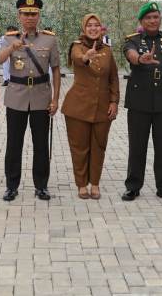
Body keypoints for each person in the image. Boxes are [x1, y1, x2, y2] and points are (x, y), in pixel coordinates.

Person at [0, 0, 60, 201]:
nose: (30, 18)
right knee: (14, 144)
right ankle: (11, 186)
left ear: (39, 16)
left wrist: (56, 99)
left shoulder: (49, 39)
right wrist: (11, 48)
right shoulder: (9, 38)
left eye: (34, 14)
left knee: (41, 144)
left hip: (41, 97)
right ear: (19, 15)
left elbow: (56, 70)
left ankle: (41, 185)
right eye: (26, 14)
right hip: (16, 97)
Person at [121, 1, 162, 202]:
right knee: (137, 146)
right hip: (139, 102)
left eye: (155, 17)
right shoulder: (132, 40)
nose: (152, 20)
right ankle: (133, 186)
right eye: (148, 17)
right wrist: (141, 59)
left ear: (160, 19)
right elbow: (131, 56)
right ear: (141, 21)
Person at [61, 13, 119, 200]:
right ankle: (81, 185)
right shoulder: (76, 46)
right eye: (89, 25)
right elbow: (78, 59)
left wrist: (114, 102)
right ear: (84, 28)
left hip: (102, 108)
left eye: (96, 25)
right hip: (78, 108)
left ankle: (95, 183)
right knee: (80, 148)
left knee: (98, 147)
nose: (93, 28)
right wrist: (87, 56)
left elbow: (114, 79)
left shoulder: (108, 51)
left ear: (101, 28)